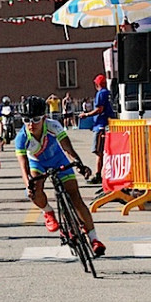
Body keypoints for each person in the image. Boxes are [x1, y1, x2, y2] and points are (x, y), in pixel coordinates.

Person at [15, 96, 106, 257]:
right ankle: (47, 211)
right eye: (26, 120)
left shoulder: (53, 126)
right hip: (37, 163)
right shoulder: (21, 137)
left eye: (35, 119)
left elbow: (67, 149)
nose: (31, 124)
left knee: (75, 198)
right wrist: (28, 183)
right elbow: (24, 166)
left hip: (59, 160)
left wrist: (79, 164)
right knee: (34, 190)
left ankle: (94, 239)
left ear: (44, 117)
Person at [79, 74, 116, 185]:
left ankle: (99, 174)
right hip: (106, 124)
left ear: (97, 84)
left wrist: (86, 115)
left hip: (101, 125)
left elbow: (99, 109)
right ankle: (105, 173)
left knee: (99, 151)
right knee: (103, 151)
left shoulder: (101, 93)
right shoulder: (108, 93)